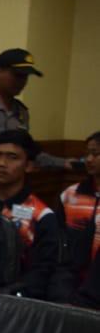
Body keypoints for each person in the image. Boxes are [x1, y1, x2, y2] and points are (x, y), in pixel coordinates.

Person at [0, 48, 72, 175]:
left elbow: (28, 151)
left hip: (9, 187)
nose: (22, 82)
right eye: (17, 75)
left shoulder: (22, 112)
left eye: (25, 77)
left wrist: (63, 163)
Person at [0, 130, 61, 299]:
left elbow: (43, 270)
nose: (1, 163)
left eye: (12, 157)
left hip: (16, 300)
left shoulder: (42, 216)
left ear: (29, 166)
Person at [51, 130, 100, 305]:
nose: (89, 160)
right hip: (70, 287)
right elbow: (59, 245)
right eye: (87, 154)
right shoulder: (70, 195)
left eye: (96, 154)